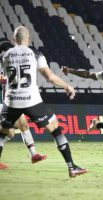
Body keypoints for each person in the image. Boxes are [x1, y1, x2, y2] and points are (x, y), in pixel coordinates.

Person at [0, 26, 86, 177]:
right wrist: (67, 86)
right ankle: (72, 167)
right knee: (55, 128)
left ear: (14, 40)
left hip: (12, 100)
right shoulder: (36, 54)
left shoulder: (5, 55)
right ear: (30, 40)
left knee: (2, 132)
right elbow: (50, 78)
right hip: (31, 100)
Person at [0, 39, 47, 170]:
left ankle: (33, 155)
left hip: (7, 102)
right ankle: (33, 154)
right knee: (12, 130)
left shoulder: (11, 62)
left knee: (15, 131)